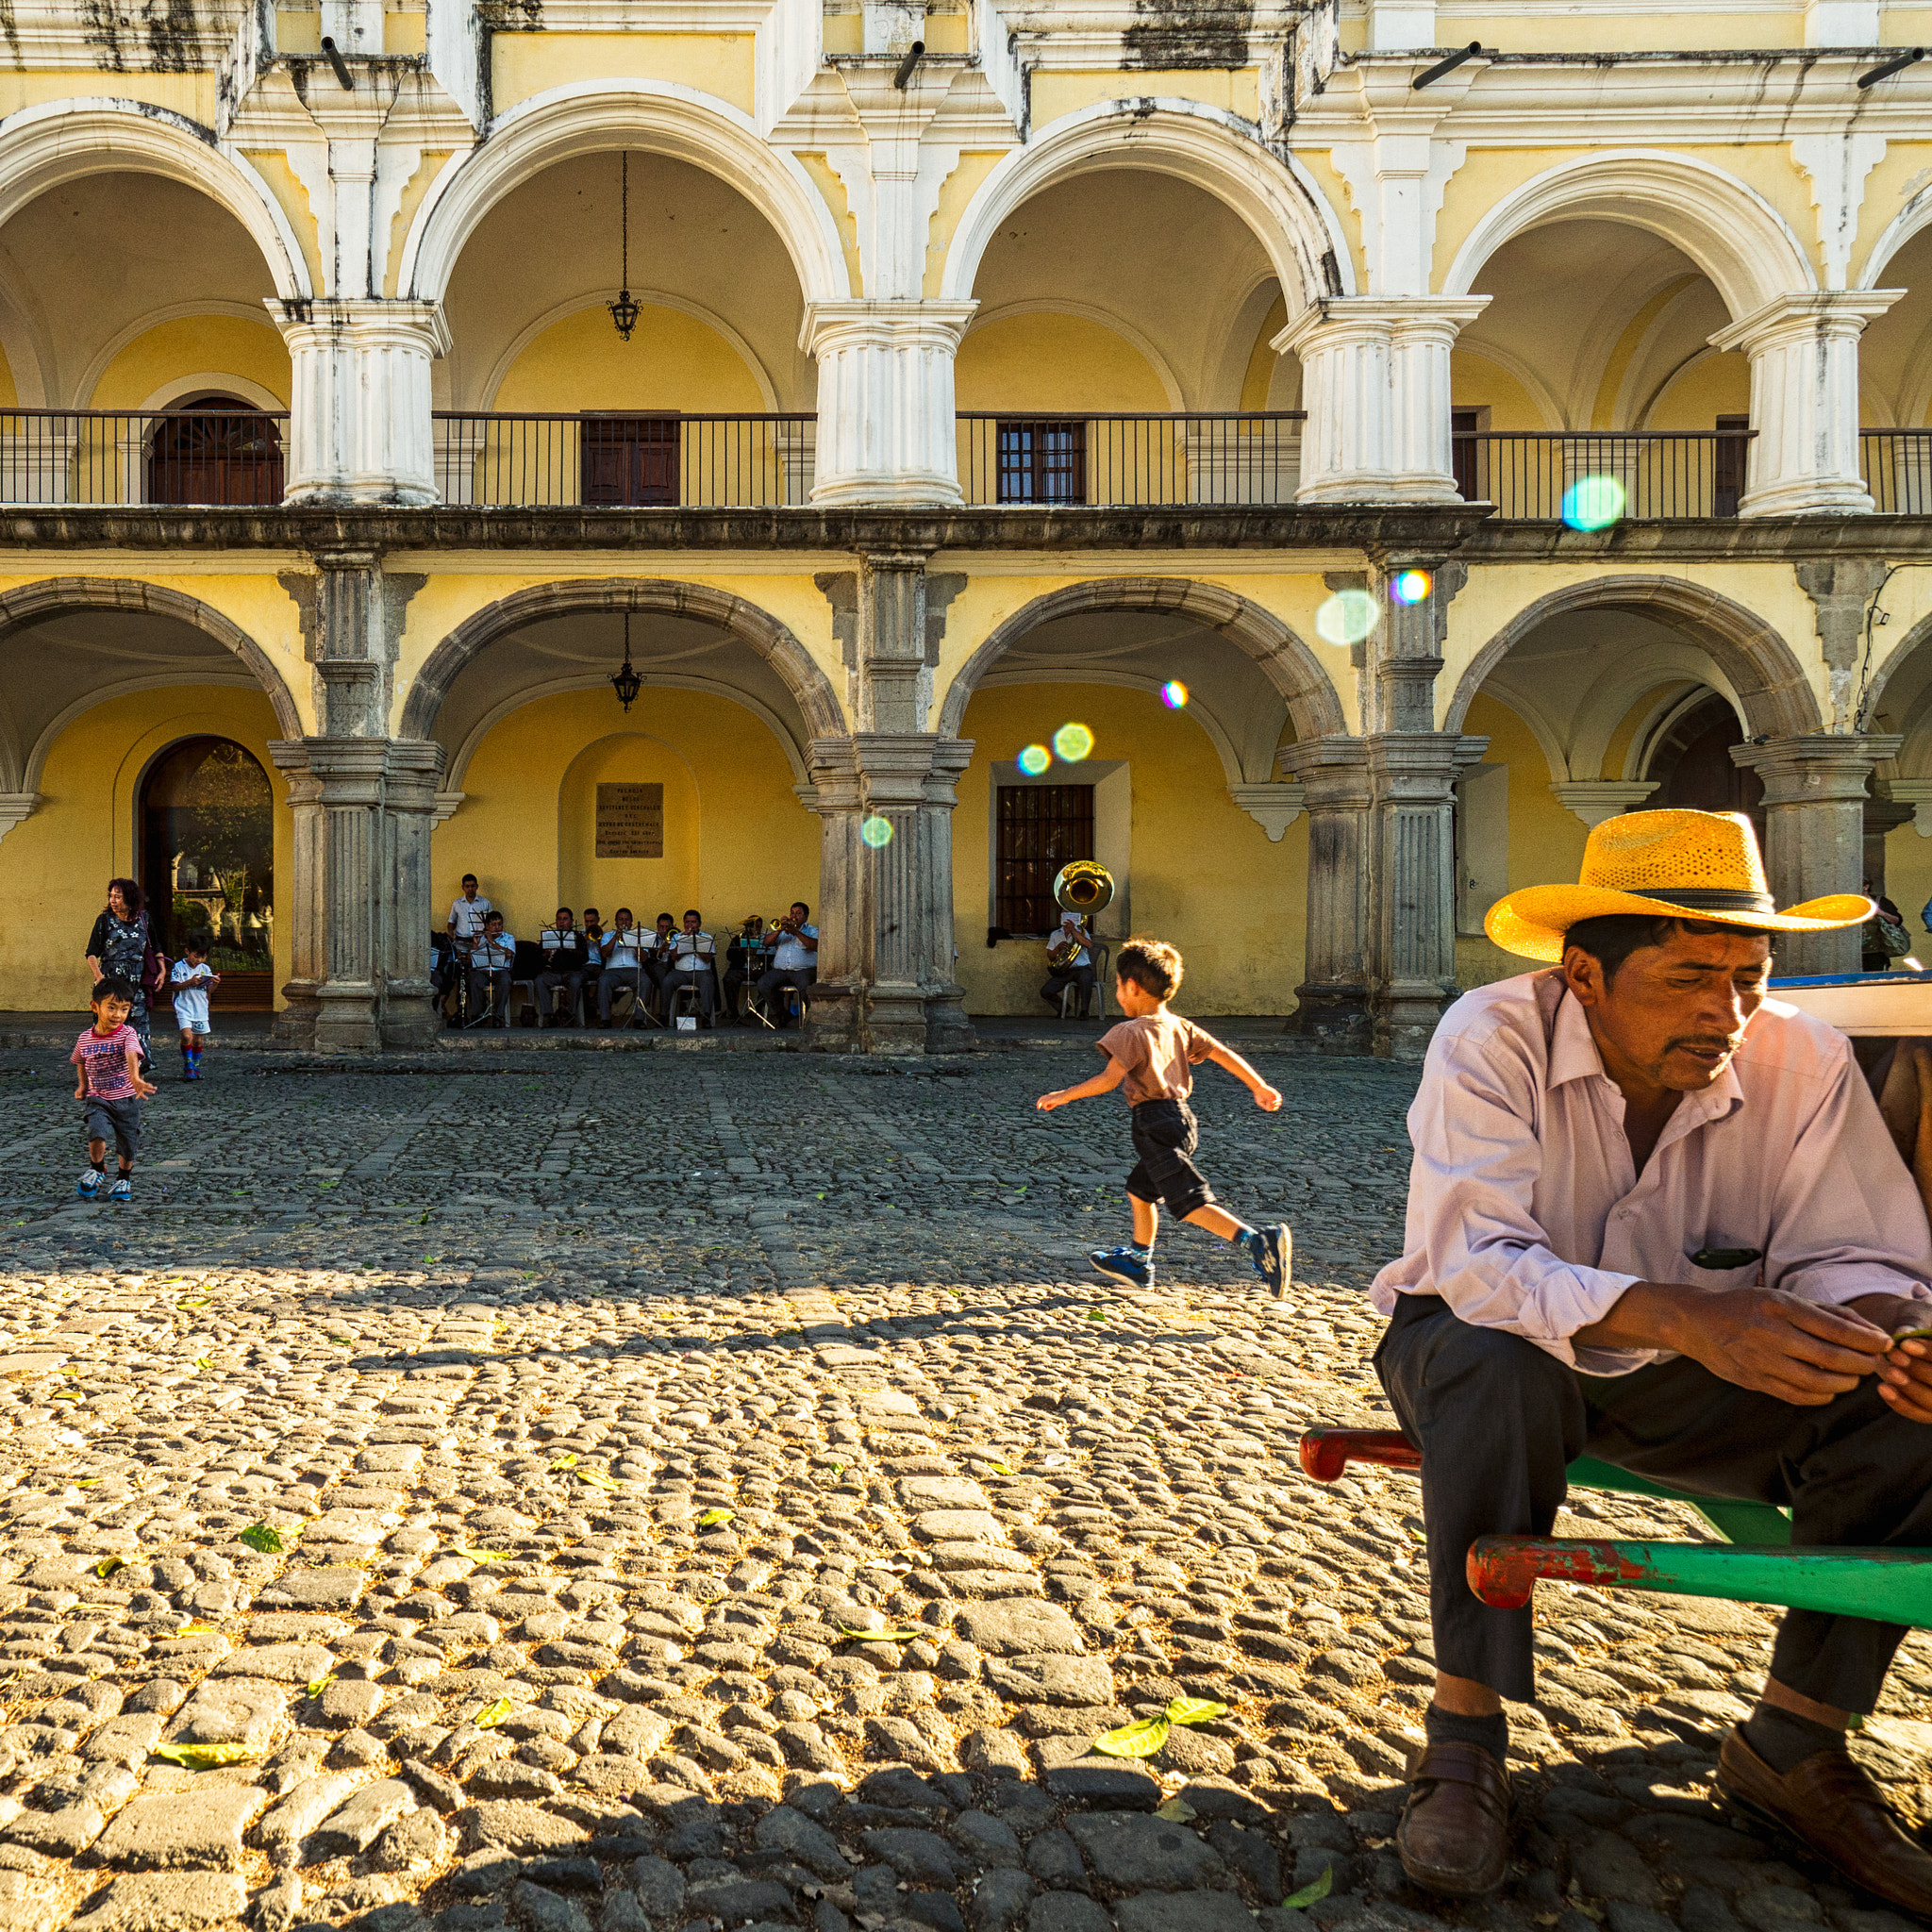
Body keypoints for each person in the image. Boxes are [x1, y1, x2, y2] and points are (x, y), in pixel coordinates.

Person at [1371, 808, 1932, 1912]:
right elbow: (1475, 1260)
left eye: (1746, 977)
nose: (1723, 1012)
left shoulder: (1801, 1056)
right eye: (1685, 978)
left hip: (1705, 1370)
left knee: (1906, 1396)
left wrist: (1886, 1331)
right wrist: (1677, 1313)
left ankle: (1795, 1739)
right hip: (1482, 1343)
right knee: (1497, 1360)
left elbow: (1850, 1246)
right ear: (1582, 972)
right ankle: (1464, 1730)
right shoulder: (1489, 1034)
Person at [1035, 937, 1292, 1296]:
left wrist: (1063, 1095)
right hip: (1182, 1121)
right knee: (1140, 1191)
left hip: (1153, 1123)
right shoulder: (1179, 1026)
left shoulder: (1129, 1031)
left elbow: (1108, 1080)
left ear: (1132, 986)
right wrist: (1258, 1085)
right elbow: (1222, 1053)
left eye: (1119, 987)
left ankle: (1256, 1241)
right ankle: (1139, 1262)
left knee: (1188, 1200)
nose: (1118, 994)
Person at [72, 975, 154, 1203]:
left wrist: (135, 1079)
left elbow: (130, 1053)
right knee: (96, 1131)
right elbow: (80, 1060)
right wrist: (83, 1085)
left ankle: (123, 1178)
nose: (118, 1015)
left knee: (127, 1143)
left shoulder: (127, 1034)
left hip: (126, 1099)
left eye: (124, 1009)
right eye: (112, 1008)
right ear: (95, 1007)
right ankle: (97, 1168)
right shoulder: (85, 1038)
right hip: (98, 1098)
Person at [86, 878, 160, 1072]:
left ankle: (136, 1071)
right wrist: (99, 977)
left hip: (136, 985)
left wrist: (162, 970)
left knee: (137, 1028)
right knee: (110, 1025)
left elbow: (155, 947)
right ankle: (108, 1069)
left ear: (130, 898)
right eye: (111, 896)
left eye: (117, 896)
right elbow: (92, 953)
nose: (113, 900)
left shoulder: (144, 919)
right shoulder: (105, 921)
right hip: (111, 984)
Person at [755, 902, 817, 1027]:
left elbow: (814, 945)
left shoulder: (812, 930)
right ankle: (782, 1014)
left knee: (806, 987)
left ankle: (812, 1019)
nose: (794, 916)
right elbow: (766, 943)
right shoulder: (782, 931)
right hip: (781, 971)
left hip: (803, 970)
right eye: (792, 913)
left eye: (798, 913)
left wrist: (796, 933)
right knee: (763, 984)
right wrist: (779, 930)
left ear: (806, 916)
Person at [169, 938, 220, 1080]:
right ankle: (188, 1065)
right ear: (187, 952)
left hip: (200, 1008)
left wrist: (215, 983)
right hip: (183, 1007)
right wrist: (191, 981)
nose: (199, 960)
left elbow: (209, 990)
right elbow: (175, 986)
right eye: (196, 956)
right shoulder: (178, 967)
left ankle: (196, 1065)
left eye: (203, 957)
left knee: (198, 1040)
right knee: (186, 1036)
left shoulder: (205, 969)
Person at [662, 909, 718, 1024]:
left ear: (699, 923)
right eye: (687, 922)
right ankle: (663, 1015)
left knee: (708, 981)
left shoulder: (707, 938)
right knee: (667, 981)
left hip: (701, 972)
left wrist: (695, 944)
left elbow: (708, 959)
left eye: (693, 922)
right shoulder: (677, 937)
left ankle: (706, 1016)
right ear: (684, 923)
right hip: (680, 972)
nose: (690, 925)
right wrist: (684, 940)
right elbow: (674, 957)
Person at [1041, 911, 1096, 1019]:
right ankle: (1063, 1008)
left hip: (1082, 968)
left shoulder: (1081, 931)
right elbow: (1050, 956)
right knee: (1046, 990)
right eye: (1064, 915)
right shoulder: (1055, 934)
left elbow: (1089, 945)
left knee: (1086, 979)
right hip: (1065, 970)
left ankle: (1084, 1011)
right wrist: (1058, 948)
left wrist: (1073, 931)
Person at [596, 909, 646, 1025]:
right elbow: (605, 954)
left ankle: (639, 1020)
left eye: (627, 919)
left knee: (645, 981)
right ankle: (605, 1019)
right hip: (612, 972)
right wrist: (616, 936)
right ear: (616, 922)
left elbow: (644, 958)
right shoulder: (607, 936)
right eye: (621, 919)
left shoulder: (638, 936)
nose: (624, 922)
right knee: (603, 981)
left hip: (634, 970)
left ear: (631, 922)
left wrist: (633, 941)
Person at [467, 910, 517, 1027]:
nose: (497, 927)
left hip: (501, 970)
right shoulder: (480, 938)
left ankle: (498, 1016)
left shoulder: (509, 938)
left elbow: (509, 954)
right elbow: (471, 960)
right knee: (474, 980)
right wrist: (475, 945)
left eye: (499, 924)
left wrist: (492, 942)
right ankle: (479, 1015)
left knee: (505, 981)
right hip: (482, 970)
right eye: (493, 925)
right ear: (487, 926)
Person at [536, 908, 585, 1026]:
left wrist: (571, 950)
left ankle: (571, 1015)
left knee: (576, 981)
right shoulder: (549, 937)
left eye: (565, 919)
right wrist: (545, 955)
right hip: (553, 972)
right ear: (556, 921)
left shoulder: (578, 937)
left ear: (572, 921)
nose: (562, 922)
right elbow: (538, 958)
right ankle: (548, 1015)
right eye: (559, 919)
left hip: (572, 972)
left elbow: (585, 958)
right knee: (540, 980)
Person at [722, 917, 767, 1024]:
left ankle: (757, 1009)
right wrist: (740, 950)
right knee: (728, 979)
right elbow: (729, 956)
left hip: (757, 970)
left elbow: (770, 958)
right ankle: (733, 1013)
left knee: (770, 980)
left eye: (758, 927)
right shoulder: (738, 938)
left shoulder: (765, 939)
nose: (756, 930)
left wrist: (757, 952)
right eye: (753, 927)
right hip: (739, 969)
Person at [641, 912, 678, 1019]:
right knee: (665, 978)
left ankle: (667, 1012)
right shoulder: (651, 938)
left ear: (673, 926)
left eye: (667, 927)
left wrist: (672, 948)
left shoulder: (677, 936)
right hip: (655, 968)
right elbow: (647, 958)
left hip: (672, 967)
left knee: (668, 977)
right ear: (657, 927)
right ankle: (664, 1014)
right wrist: (660, 950)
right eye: (662, 927)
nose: (664, 930)